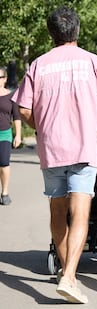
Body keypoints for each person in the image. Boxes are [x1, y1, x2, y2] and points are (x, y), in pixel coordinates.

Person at [12, 6, 97, 304]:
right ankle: (70, 276)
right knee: (81, 212)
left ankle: (65, 272)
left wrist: (41, 128)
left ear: (51, 32)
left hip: (51, 149)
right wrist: (91, 127)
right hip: (82, 149)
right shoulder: (93, 62)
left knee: (58, 212)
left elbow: (24, 109)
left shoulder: (38, 65)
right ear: (77, 31)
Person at [0, 66, 21, 205]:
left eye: (0, 77)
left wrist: (18, 135)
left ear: (5, 79)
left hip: (5, 134)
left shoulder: (12, 95)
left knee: (3, 163)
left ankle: (4, 192)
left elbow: (17, 117)